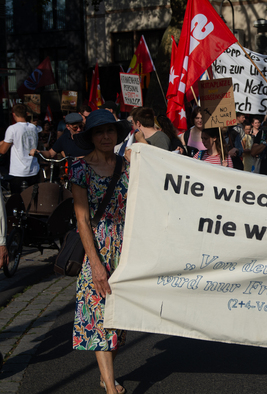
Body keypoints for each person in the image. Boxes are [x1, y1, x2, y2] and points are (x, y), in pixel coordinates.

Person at [70, 109, 130, 394]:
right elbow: (81, 219)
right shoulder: (80, 169)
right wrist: (95, 263)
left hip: (127, 247)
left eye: (110, 131)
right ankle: (109, 388)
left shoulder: (128, 165)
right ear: (91, 137)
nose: (106, 136)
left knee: (120, 320)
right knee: (98, 318)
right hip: (97, 247)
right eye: (99, 132)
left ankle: (107, 376)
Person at [0, 104, 40, 194]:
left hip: (18, 172)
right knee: (33, 200)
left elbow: (3, 150)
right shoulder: (33, 127)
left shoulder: (12, 128)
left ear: (13, 114)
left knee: (17, 201)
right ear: (26, 114)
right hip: (33, 169)